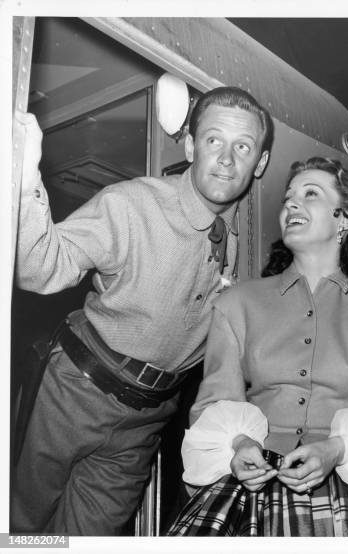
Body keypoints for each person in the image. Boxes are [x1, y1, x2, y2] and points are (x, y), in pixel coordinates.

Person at [11, 86, 272, 535]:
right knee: (20, 529)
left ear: (260, 163)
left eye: (243, 147)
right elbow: (39, 269)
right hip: (74, 391)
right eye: (213, 140)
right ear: (190, 146)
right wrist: (23, 176)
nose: (227, 159)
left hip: (147, 418)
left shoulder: (247, 246)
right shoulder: (131, 204)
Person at [166, 157, 348, 536]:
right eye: (288, 197)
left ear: (345, 218)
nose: (291, 204)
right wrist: (238, 446)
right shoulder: (236, 304)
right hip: (249, 492)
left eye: (311, 194)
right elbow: (213, 406)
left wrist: (336, 449)